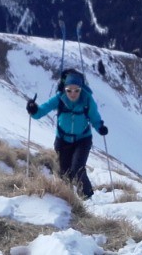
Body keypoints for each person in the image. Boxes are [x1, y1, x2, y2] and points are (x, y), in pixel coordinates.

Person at [26, 70, 108, 199]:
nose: (73, 93)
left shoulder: (87, 99)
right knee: (64, 172)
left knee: (77, 169)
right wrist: (33, 109)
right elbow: (42, 110)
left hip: (83, 140)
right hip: (62, 140)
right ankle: (66, 198)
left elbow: (94, 117)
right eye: (69, 90)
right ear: (65, 89)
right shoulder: (59, 98)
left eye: (77, 90)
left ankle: (87, 197)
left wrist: (100, 127)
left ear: (81, 89)